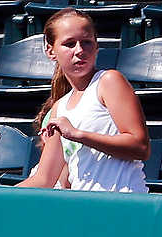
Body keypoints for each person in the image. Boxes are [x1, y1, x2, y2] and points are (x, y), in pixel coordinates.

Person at [19, 8, 149, 192]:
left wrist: (77, 134)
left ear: (96, 46)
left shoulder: (109, 81)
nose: (80, 50)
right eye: (69, 44)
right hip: (86, 208)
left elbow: (140, 147)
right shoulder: (59, 107)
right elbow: (44, 179)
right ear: (51, 50)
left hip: (124, 204)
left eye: (87, 42)